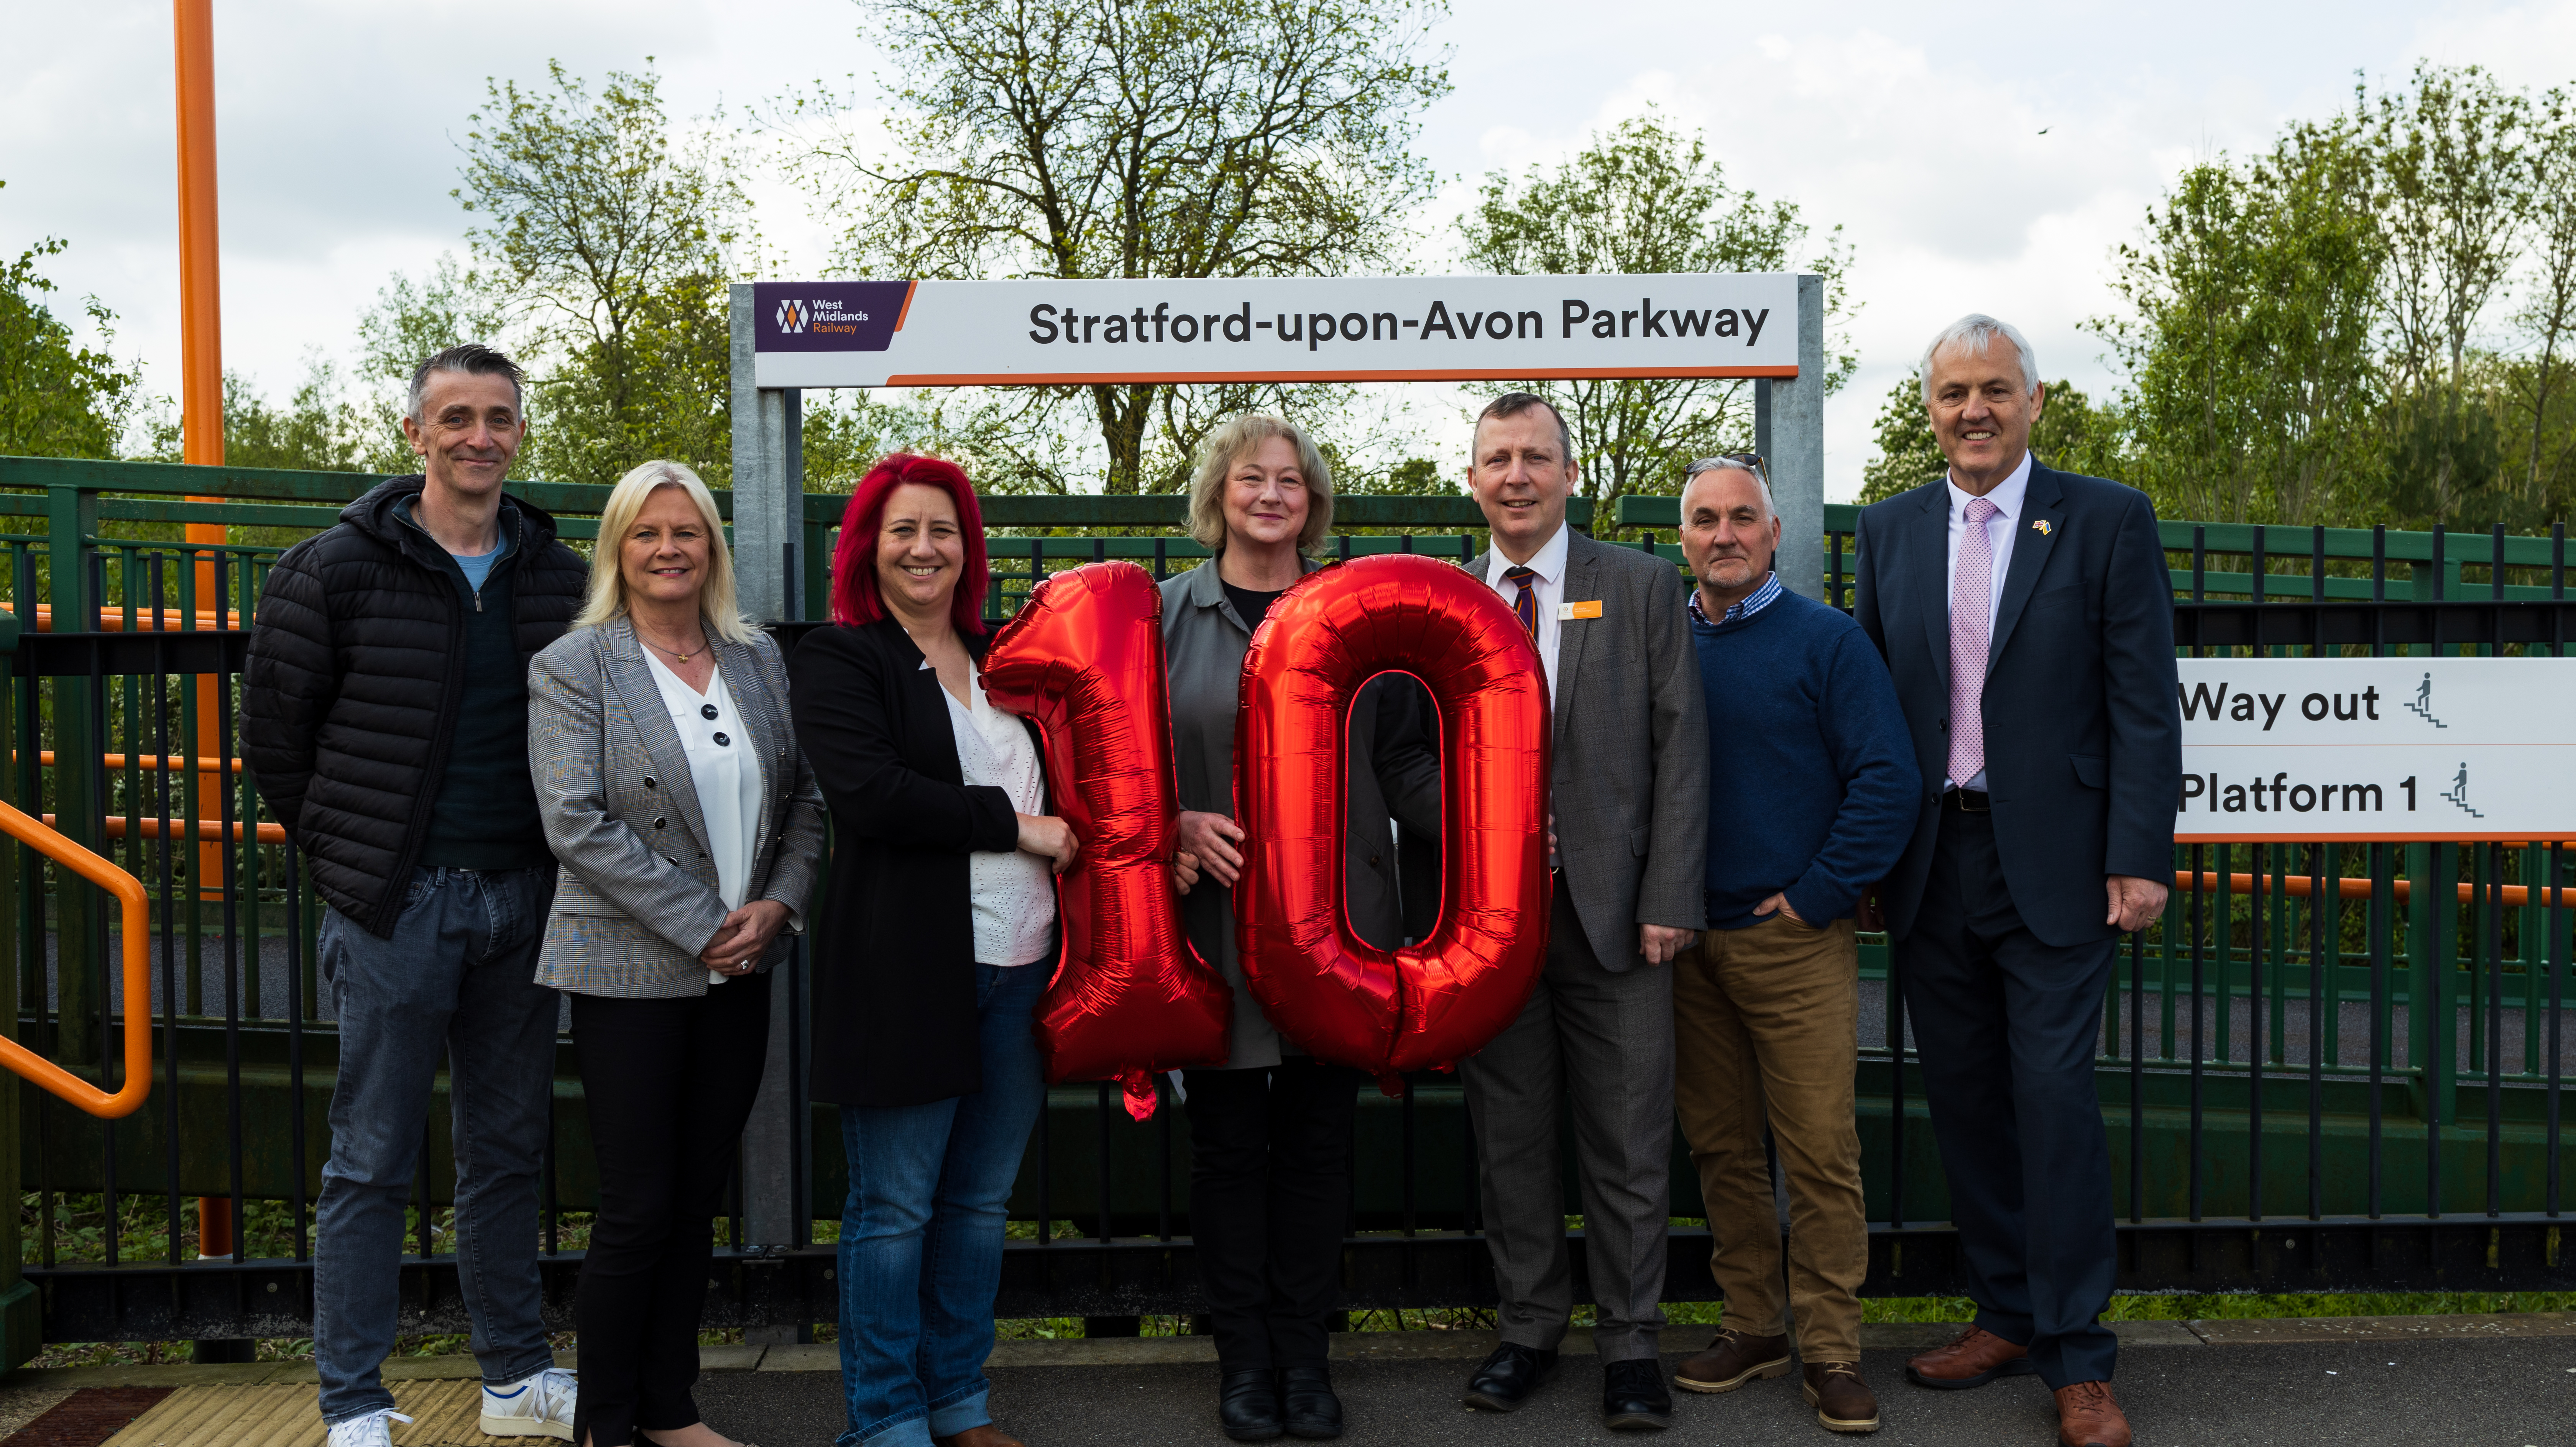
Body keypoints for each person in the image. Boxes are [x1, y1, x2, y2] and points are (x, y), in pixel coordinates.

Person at [241, 343, 588, 1447]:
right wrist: (356, 863)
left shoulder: (557, 575)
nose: (478, 436)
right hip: (397, 909)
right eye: (456, 417)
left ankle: (512, 1377)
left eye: (498, 417)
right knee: (370, 1155)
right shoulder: (332, 570)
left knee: (507, 1148)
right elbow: (276, 744)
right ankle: (352, 1397)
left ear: (520, 433)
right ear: (415, 434)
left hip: (524, 901)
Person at [1852, 316, 2179, 1447]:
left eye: (1996, 390)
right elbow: (1869, 718)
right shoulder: (1889, 532)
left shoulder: (2106, 518)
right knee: (1969, 1103)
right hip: (1932, 862)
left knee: (2051, 1101)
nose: (1974, 410)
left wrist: (2138, 854)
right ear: (1930, 409)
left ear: (2035, 403)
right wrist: (1865, 861)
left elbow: (2145, 698)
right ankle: (2003, 1314)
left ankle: (2079, 1360)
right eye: (1954, 394)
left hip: (2059, 865)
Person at [526, 460, 828, 1447]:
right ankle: (605, 1422)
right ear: (619, 548)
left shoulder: (757, 660)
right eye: (648, 533)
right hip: (631, 970)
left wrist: (778, 902)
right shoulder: (576, 666)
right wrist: (704, 920)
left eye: (686, 532)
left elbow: (805, 806)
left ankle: (671, 1408)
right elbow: (576, 823)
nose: (668, 549)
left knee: (698, 1198)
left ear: (712, 549)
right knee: (639, 1205)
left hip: (743, 970)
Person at [789, 454, 1078, 1447]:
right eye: (903, 529)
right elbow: (871, 796)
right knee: (896, 1209)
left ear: (969, 549)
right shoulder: (841, 657)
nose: (924, 548)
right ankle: (884, 1419)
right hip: (909, 974)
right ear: (867, 546)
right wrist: (1020, 825)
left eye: (943, 530)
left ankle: (959, 1404)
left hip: (1024, 966)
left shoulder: (1007, 656)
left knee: (978, 1206)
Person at [1162, 415, 1440, 1443]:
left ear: (1313, 504)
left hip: (1346, 930)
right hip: (1218, 924)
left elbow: (1407, 761)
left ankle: (1307, 1361)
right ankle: (1245, 1366)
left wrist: (1509, 821)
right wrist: (1171, 825)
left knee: (1320, 1148)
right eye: (1252, 478)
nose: (1272, 495)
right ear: (1219, 495)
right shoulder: (1162, 619)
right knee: (1230, 1149)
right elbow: (1119, 762)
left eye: (1291, 481)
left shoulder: (1359, 614)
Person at [1454, 393, 1708, 1433]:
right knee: (1510, 1139)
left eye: (1535, 458)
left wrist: (1669, 899)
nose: (1517, 476)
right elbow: (1408, 755)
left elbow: (1682, 752)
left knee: (1628, 1143)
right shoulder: (1443, 596)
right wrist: (1478, 831)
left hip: (1620, 922)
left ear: (1570, 476)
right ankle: (1527, 1332)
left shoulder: (1644, 587)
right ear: (1471, 479)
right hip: (1487, 926)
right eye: (1497, 459)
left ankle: (1633, 1347)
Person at [1666, 457, 1917, 1436]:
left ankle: (1833, 1351)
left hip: (1792, 942)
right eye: (1703, 520)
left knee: (1818, 1152)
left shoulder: (1828, 642)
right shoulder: (1661, 641)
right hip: (1684, 939)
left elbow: (1886, 782)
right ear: (1681, 537)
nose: (1722, 534)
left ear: (1774, 534)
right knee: (1722, 1148)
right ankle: (1752, 1326)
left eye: (1741, 518)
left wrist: (1812, 900)